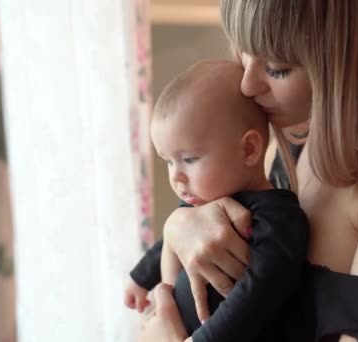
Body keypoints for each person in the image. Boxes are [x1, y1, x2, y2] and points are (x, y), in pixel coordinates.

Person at [138, 1, 358, 341]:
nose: (248, 84)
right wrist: (178, 228)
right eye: (245, 51)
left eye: (277, 67)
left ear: (357, 59)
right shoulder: (293, 153)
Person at [125, 59, 310, 341]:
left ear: (249, 149)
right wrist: (140, 278)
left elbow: (257, 296)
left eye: (189, 159)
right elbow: (168, 240)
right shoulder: (201, 203)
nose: (177, 177)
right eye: (168, 162)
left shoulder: (277, 217)